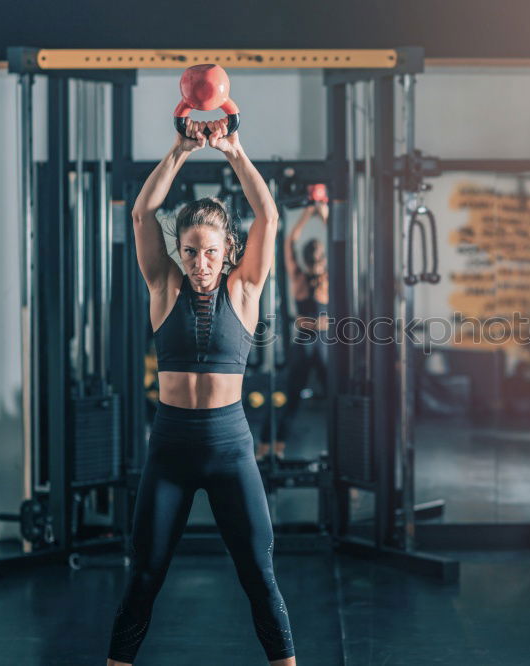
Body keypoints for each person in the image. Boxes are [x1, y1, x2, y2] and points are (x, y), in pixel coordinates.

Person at [106, 118, 295, 665]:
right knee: (144, 577)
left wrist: (235, 153)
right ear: (180, 252)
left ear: (227, 250)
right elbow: (142, 214)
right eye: (190, 251)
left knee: (260, 576)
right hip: (170, 452)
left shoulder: (246, 287)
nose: (200, 262)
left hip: (231, 450)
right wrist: (180, 150)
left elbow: (269, 215)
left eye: (210, 251)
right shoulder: (164, 286)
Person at [256, 202, 329, 461]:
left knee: (335, 400)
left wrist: (321, 216)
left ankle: (343, 454)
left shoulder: (327, 279)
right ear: (313, 258)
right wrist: (312, 215)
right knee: (291, 399)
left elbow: (343, 243)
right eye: (316, 255)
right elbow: (289, 244)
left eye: (319, 255)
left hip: (321, 344)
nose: (318, 259)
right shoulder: (300, 276)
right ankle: (268, 447)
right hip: (307, 344)